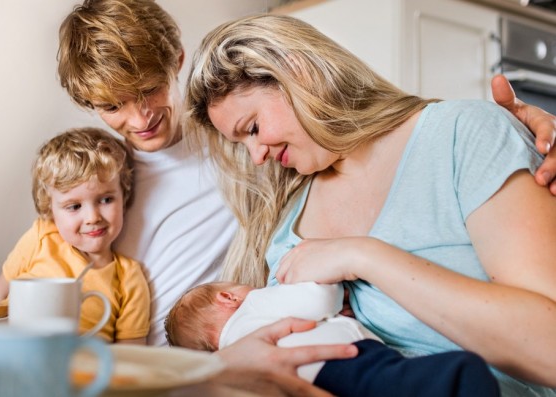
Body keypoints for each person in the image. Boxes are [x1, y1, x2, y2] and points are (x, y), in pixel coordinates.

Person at [184, 14, 556, 397]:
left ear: (296, 73)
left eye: (254, 128)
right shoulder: (285, 232)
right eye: (240, 143)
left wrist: (364, 257)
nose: (256, 156)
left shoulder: (464, 134)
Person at [166, 281, 500, 397]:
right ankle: (455, 381)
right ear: (227, 298)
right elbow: (317, 298)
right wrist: (324, 276)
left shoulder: (235, 358)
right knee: (450, 376)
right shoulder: (253, 305)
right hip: (339, 365)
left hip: (305, 383)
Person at [0, 128, 150, 344]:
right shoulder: (41, 236)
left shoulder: (129, 277)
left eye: (106, 200)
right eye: (74, 206)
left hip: (87, 370)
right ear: (50, 209)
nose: (92, 217)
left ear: (124, 195)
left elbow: (133, 352)